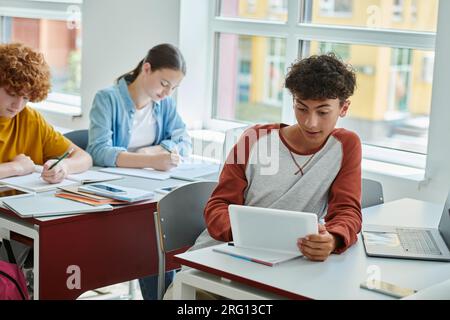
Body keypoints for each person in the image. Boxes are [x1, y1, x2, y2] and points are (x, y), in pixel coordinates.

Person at [164, 53, 361, 299]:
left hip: (284, 268)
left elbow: (348, 211)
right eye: (301, 108)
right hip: (219, 261)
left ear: (343, 108)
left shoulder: (345, 145)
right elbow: (217, 207)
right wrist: (251, 233)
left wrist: (332, 238)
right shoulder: (253, 139)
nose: (310, 122)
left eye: (323, 112)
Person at [86, 43, 191, 300]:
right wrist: (151, 159)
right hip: (114, 193)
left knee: (172, 227)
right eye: (164, 83)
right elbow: (99, 151)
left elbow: (184, 141)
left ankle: (175, 294)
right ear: (146, 68)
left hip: (151, 189)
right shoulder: (107, 99)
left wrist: (154, 150)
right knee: (154, 236)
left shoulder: (163, 104)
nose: (167, 93)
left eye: (174, 88)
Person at [0, 43, 92, 183]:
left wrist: (63, 166)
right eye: (12, 94)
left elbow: (84, 158)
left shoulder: (30, 119)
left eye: (26, 98)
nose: (18, 106)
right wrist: (15, 167)